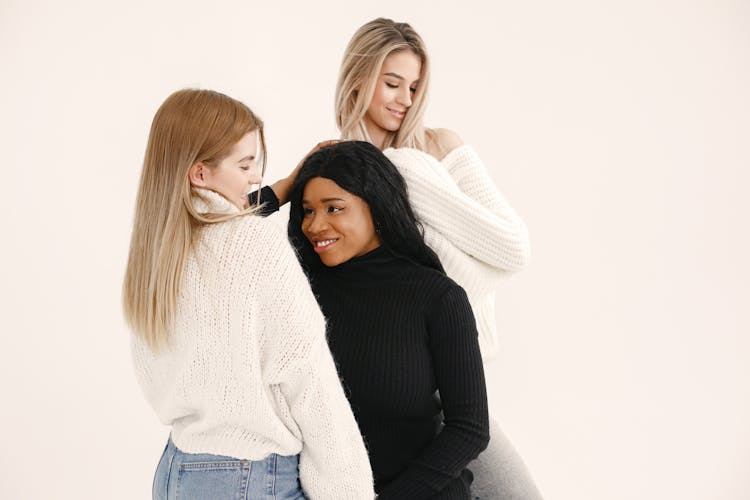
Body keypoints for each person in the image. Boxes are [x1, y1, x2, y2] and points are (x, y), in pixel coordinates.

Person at [122, 89, 374, 500]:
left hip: (176, 471)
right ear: (200, 174)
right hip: (252, 479)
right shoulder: (254, 245)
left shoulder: (156, 255)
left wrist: (287, 184)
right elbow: (309, 382)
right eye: (244, 165)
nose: (256, 176)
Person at [334, 18, 542, 499]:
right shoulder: (340, 168)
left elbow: (513, 249)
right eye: (392, 83)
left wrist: (408, 177)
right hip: (389, 385)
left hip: (453, 378)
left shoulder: (433, 151)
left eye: (413, 86)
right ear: (358, 76)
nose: (405, 99)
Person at [288, 141, 490, 499]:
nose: (315, 225)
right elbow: (214, 237)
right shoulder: (296, 291)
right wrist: (285, 184)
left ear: (377, 207)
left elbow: (470, 429)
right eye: (306, 210)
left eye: (334, 208)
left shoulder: (438, 297)